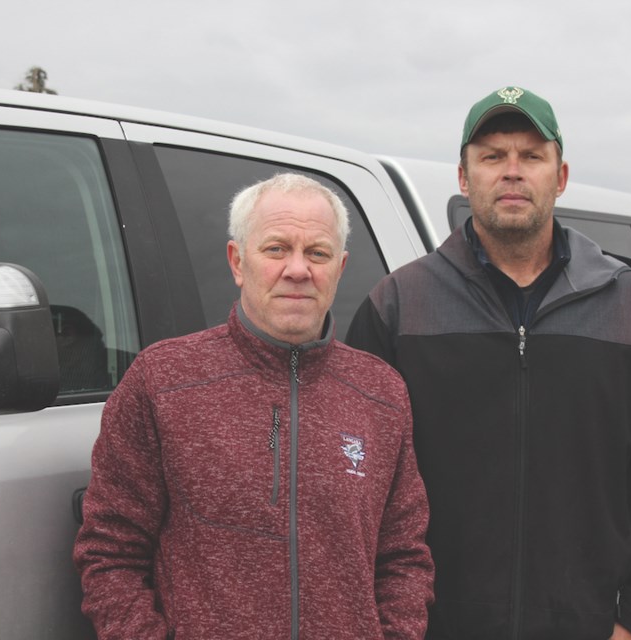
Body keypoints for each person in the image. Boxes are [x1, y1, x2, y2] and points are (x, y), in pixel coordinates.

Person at [346, 87, 631, 640]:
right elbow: (352, 485)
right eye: (492, 156)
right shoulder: (398, 307)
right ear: (464, 177)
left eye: (531, 156)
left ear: (560, 177)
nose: (512, 172)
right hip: (435, 626)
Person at [74, 173, 434, 639]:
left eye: (317, 253)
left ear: (340, 268)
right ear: (237, 260)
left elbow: (403, 557)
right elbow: (109, 552)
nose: (298, 269)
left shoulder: (381, 393)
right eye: (277, 248)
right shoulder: (163, 380)